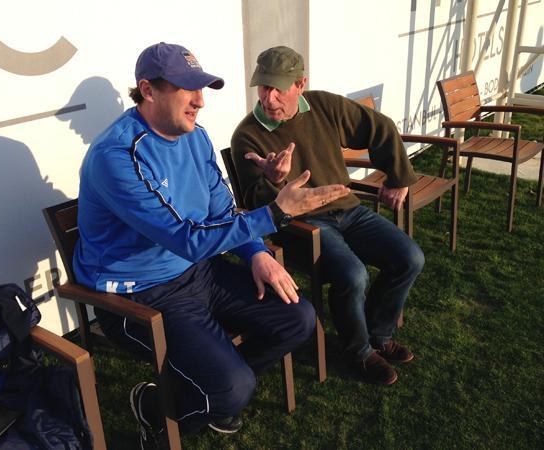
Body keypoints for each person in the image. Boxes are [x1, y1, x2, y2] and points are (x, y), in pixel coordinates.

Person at [73, 42, 350, 448]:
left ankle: (214, 388)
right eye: (186, 89)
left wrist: (256, 252)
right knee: (232, 388)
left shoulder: (195, 137)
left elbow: (222, 209)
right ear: (148, 90)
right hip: (138, 296)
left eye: (201, 88)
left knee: (298, 319)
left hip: (196, 273)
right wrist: (275, 213)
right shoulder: (116, 156)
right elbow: (185, 239)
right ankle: (154, 407)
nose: (200, 101)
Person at [231, 46, 425, 387]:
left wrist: (398, 176)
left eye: (278, 88)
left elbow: (379, 126)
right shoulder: (247, 136)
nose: (268, 97)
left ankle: (378, 334)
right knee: (353, 275)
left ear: (300, 84)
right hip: (300, 226)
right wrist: (274, 180)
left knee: (410, 258)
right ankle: (359, 351)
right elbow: (255, 206)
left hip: (348, 209)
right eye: (263, 87)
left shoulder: (323, 106)